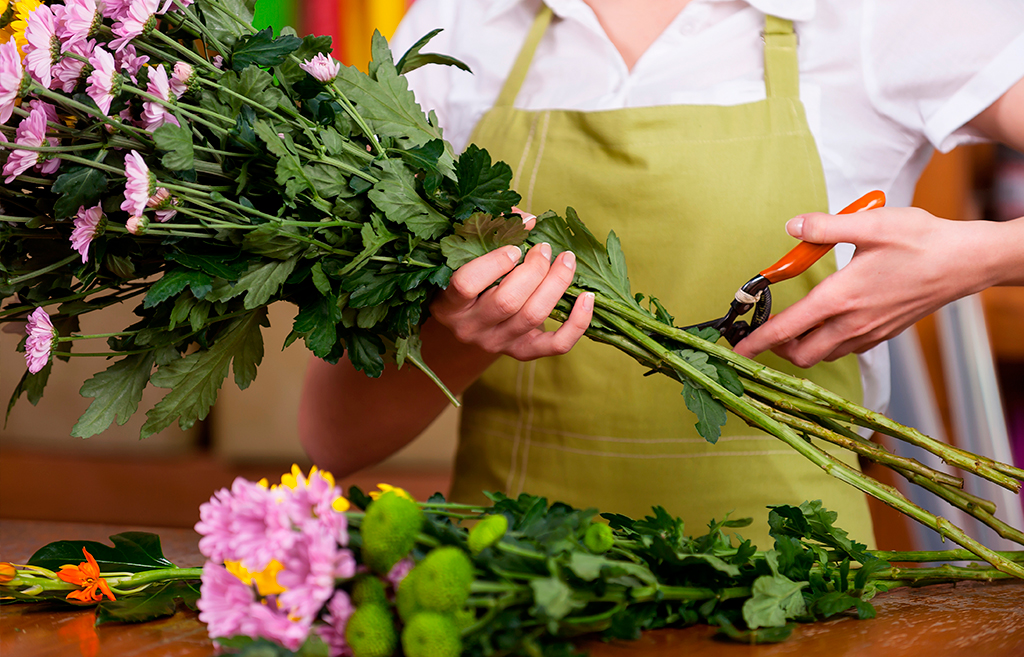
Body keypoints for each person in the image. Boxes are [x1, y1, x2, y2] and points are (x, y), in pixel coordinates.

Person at [300, 0, 1024, 547]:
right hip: (510, 590)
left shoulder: (880, 14)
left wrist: (977, 258)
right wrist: (466, 332)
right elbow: (333, 439)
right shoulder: (465, 22)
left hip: (795, 600)